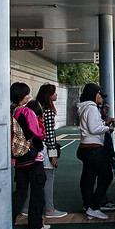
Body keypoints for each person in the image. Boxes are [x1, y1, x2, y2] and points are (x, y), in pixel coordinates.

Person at [10, 82, 49, 229]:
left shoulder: (9, 111)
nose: (29, 95)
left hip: (18, 158)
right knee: (38, 191)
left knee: (20, 191)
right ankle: (35, 223)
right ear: (22, 96)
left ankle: (8, 221)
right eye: (27, 93)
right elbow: (37, 133)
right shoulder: (26, 112)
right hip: (32, 157)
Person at [76, 83, 115, 219]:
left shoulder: (84, 108)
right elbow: (94, 129)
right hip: (94, 148)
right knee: (107, 176)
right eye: (99, 94)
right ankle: (94, 206)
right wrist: (108, 129)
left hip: (84, 147)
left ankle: (88, 205)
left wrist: (105, 123)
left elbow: (92, 125)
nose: (101, 97)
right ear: (94, 95)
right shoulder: (92, 108)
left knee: (88, 178)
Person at [36, 84, 66, 218]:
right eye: (54, 93)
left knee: (36, 179)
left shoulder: (38, 108)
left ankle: (25, 208)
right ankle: (50, 209)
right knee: (49, 177)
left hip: (38, 148)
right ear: (49, 95)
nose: (56, 95)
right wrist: (53, 154)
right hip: (45, 149)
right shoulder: (47, 111)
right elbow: (49, 134)